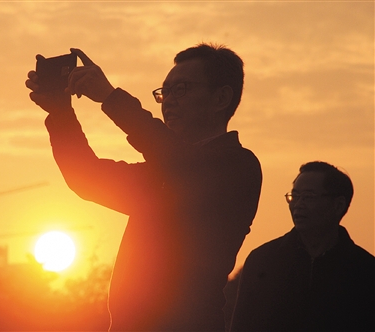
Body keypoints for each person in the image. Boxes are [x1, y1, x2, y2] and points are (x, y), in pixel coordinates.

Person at [26, 43, 262, 331]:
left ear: (221, 97)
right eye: (165, 92)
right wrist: (60, 112)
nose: (168, 101)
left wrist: (110, 97)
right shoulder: (165, 172)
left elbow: (179, 160)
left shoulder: (236, 166)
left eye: (181, 89)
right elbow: (86, 178)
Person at [230, 161, 375, 332]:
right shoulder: (263, 259)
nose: (298, 205)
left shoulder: (364, 270)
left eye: (308, 197)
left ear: (338, 205)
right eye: (294, 196)